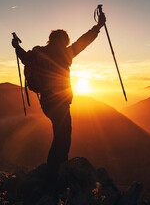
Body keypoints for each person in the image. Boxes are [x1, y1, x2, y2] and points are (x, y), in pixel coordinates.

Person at [12, 11, 106, 180]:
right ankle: (55, 173)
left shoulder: (38, 53)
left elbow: (23, 57)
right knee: (63, 137)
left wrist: (16, 46)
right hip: (60, 103)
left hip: (45, 102)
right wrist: (98, 26)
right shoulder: (65, 53)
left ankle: (56, 170)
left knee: (60, 135)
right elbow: (84, 41)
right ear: (64, 42)